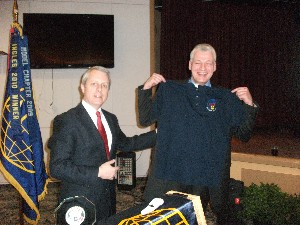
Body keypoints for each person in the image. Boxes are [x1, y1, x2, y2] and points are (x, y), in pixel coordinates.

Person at [137, 44, 259, 224]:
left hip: (202, 177)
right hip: (172, 173)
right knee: (167, 219)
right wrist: (146, 89)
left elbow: (244, 135)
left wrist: (250, 105)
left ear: (215, 66)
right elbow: (146, 119)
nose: (203, 68)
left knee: (192, 219)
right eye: (198, 63)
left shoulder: (224, 98)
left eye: (208, 63)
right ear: (189, 64)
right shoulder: (170, 91)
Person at [48, 66, 156, 223]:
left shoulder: (111, 119)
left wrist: (160, 134)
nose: (100, 89)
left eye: (104, 85)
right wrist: (97, 172)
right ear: (83, 87)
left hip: (107, 202)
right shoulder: (67, 121)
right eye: (94, 84)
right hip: (78, 205)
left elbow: (127, 143)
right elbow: (57, 168)